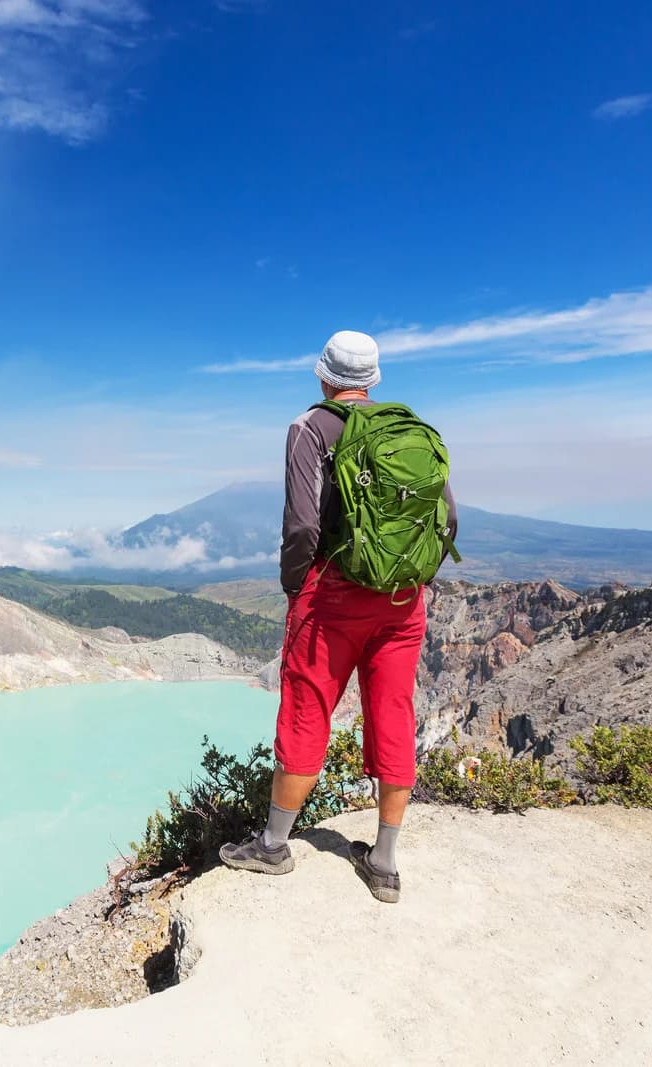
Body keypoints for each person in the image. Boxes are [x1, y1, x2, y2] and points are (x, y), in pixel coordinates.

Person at [218, 329, 457, 903]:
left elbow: (302, 525)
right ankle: (384, 861)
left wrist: (296, 587)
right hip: (402, 602)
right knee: (394, 715)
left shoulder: (309, 428)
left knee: (307, 710)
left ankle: (274, 845)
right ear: (373, 380)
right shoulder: (410, 430)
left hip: (332, 599)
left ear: (323, 374)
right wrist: (412, 579)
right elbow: (446, 519)